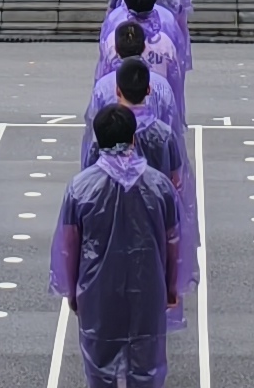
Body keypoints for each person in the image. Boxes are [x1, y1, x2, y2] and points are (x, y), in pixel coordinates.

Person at [51, 101, 188, 388]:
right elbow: (173, 242)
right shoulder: (159, 185)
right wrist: (172, 287)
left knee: (100, 367)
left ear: (97, 141)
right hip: (148, 287)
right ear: (133, 138)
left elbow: (68, 246)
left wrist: (72, 289)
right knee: (147, 365)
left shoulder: (80, 187)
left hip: (97, 289)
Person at [81, 57, 178, 177]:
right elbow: (174, 177)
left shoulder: (104, 131)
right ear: (148, 90)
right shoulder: (164, 134)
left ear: (117, 91)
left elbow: (89, 171)